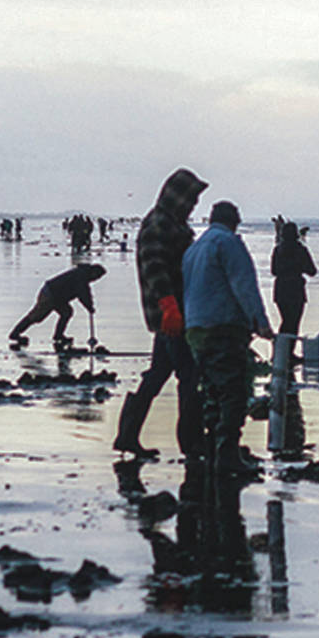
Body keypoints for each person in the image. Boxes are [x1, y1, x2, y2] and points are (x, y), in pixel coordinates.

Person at [112, 168, 210, 459]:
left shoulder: (172, 223)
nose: (193, 206)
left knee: (156, 376)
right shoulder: (159, 224)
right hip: (171, 316)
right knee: (189, 377)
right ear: (177, 197)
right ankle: (192, 442)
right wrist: (169, 306)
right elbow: (154, 267)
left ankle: (127, 436)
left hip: (174, 315)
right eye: (190, 200)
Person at [182, 201, 274, 478]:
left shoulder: (194, 249)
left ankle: (213, 448)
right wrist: (261, 324)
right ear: (235, 221)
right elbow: (243, 286)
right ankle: (227, 454)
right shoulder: (229, 243)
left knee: (211, 391)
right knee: (233, 393)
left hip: (196, 329)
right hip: (223, 326)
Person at [8, 263, 106, 349]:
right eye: (97, 276)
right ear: (93, 271)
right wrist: (89, 307)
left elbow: (85, 293)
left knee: (66, 312)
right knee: (37, 316)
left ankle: (58, 336)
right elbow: (83, 293)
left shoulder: (83, 275)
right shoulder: (81, 276)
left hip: (59, 297)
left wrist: (90, 306)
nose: (96, 279)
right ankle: (15, 333)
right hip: (50, 293)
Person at [270, 220, 317, 336]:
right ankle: (288, 351)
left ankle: (281, 350)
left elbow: (274, 271)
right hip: (296, 289)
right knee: (294, 323)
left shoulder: (277, 250)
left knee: (286, 322)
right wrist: (299, 268)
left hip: (280, 289)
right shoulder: (301, 250)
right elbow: (312, 271)